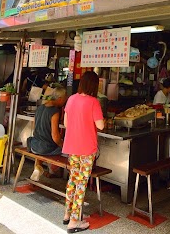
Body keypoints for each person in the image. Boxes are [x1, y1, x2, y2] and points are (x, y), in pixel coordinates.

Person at [62, 71, 104, 233]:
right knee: (81, 183)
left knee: (73, 179)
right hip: (87, 148)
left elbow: (66, 123)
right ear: (94, 85)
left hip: (72, 147)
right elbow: (100, 125)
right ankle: (74, 221)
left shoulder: (71, 99)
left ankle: (67, 213)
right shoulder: (94, 102)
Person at [29, 86, 67, 181]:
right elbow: (55, 137)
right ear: (60, 99)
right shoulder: (54, 112)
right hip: (45, 148)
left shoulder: (40, 108)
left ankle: (38, 168)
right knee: (68, 152)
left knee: (43, 146)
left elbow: (34, 128)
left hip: (34, 145)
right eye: (64, 99)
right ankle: (55, 173)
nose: (65, 102)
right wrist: (64, 146)